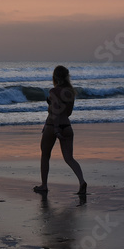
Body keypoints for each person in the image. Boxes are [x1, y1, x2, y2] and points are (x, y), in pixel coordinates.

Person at [33, 65, 87, 194]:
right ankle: (81, 181)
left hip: (53, 126)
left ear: (55, 77)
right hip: (67, 126)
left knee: (45, 155)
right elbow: (68, 113)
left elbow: (55, 110)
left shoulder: (53, 91)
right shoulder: (71, 92)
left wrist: (56, 128)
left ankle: (44, 185)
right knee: (69, 158)